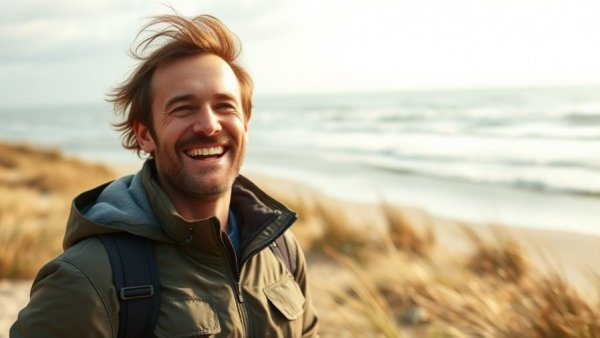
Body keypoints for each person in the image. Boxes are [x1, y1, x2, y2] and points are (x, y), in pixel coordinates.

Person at [11, 13, 319, 338]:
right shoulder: (89, 277)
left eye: (225, 105)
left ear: (246, 121)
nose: (209, 125)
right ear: (145, 135)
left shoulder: (279, 248)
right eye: (183, 108)